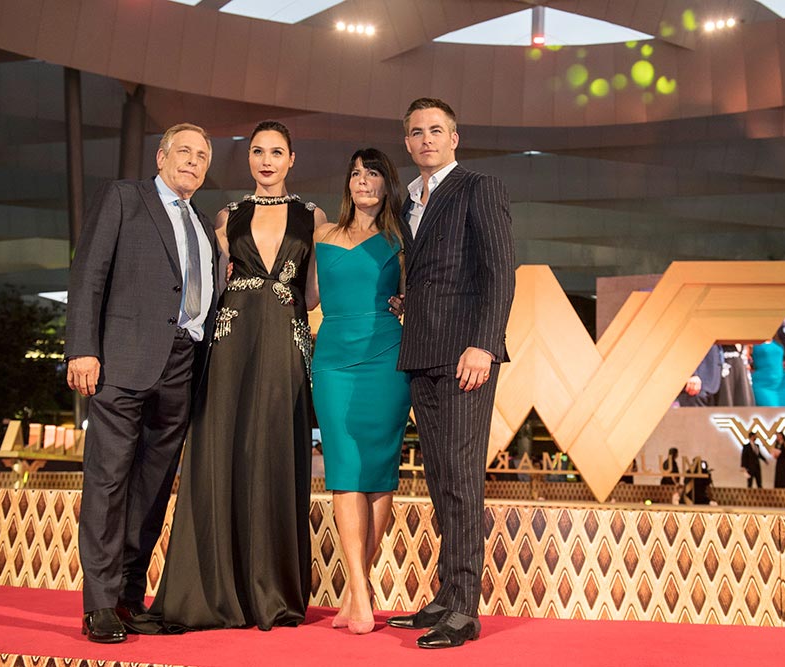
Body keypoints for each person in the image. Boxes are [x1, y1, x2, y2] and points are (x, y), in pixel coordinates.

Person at [148, 120, 325, 632]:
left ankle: (273, 593)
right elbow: (209, 283)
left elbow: (314, 294)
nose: (266, 161)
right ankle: (213, 593)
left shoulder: (313, 217)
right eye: (257, 152)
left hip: (286, 341)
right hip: (231, 342)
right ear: (248, 158)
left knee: (276, 453)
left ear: (292, 159)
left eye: (276, 152)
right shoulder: (227, 216)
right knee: (222, 453)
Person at [65, 123, 218, 644]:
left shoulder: (201, 223)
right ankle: (100, 605)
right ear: (161, 156)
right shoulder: (124, 197)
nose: (192, 161)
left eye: (202, 156)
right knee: (108, 482)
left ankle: (129, 598)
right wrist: (82, 348)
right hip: (122, 363)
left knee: (152, 489)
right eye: (184, 151)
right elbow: (88, 273)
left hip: (182, 366)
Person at [385, 98, 515, 649]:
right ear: (407, 142)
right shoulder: (407, 201)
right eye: (417, 132)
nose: (426, 140)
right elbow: (432, 274)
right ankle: (446, 596)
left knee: (461, 480)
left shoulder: (478, 187)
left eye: (436, 130)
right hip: (421, 351)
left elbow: (500, 271)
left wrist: (484, 344)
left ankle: (464, 610)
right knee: (440, 479)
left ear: (454, 138)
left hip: (466, 356)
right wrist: (407, 301)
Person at [311, 148, 411, 635]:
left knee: (378, 474)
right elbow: (307, 296)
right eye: (355, 173)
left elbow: (419, 292)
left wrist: (408, 302)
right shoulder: (321, 235)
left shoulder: (401, 239)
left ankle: (357, 592)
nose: (363, 181)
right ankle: (360, 590)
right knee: (345, 470)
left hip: (386, 357)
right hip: (332, 359)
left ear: (386, 183)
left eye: (372, 173)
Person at [750, 340, 785, 407]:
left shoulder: (777, 339)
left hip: (783, 384)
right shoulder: (750, 340)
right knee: (770, 411)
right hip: (763, 385)